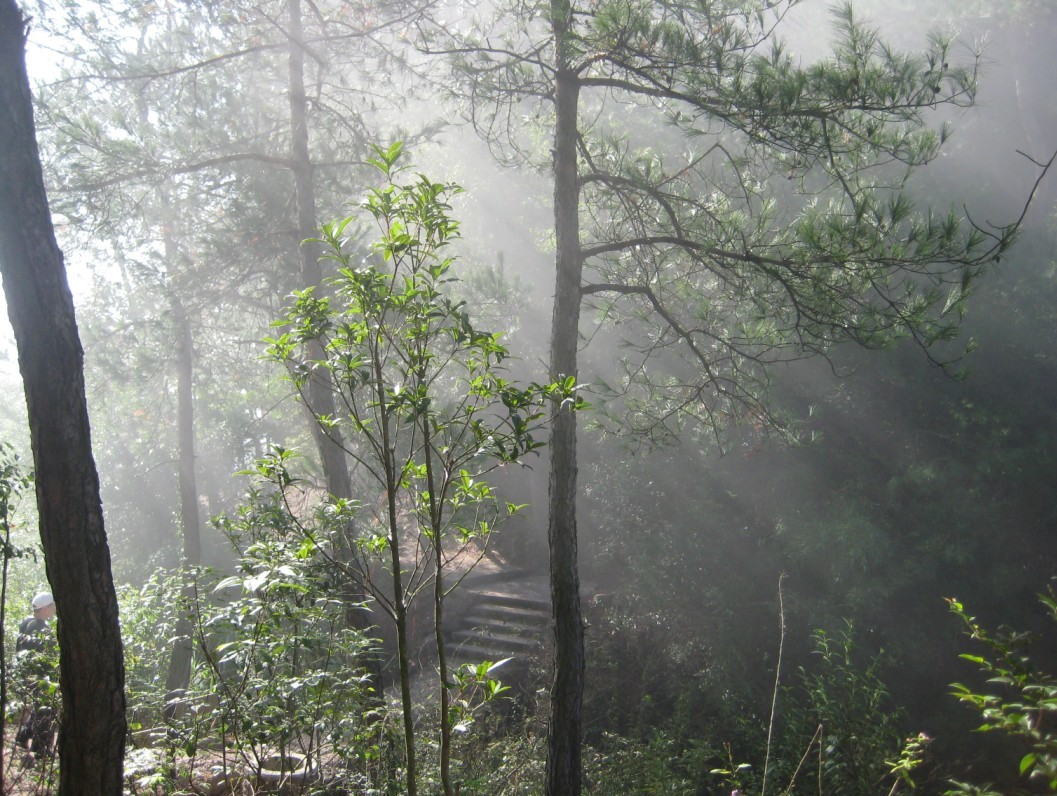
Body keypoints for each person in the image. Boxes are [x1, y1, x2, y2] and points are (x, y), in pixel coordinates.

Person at [15, 591, 57, 764]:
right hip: (40, 676)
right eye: (53, 606)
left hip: (28, 674)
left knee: (39, 706)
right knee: (46, 709)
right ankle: (40, 749)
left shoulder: (26, 622)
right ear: (45, 608)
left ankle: (23, 735)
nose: (55, 609)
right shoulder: (41, 628)